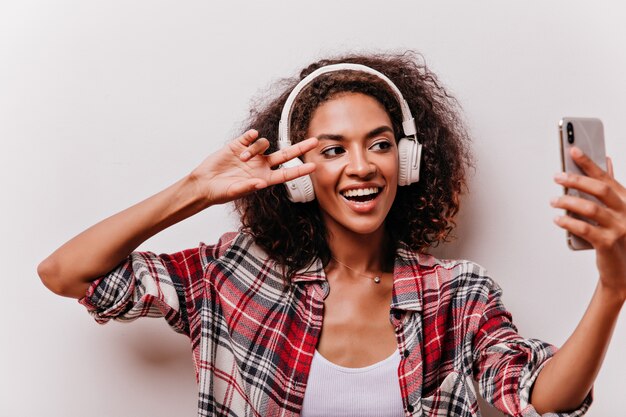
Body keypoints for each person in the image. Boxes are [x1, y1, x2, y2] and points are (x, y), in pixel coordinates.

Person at [38, 52, 625, 417]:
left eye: (380, 143)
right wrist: (196, 188)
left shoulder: (459, 295)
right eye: (332, 150)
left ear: (410, 161)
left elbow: (545, 397)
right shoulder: (233, 276)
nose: (362, 166)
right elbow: (67, 273)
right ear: (298, 176)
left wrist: (612, 288)